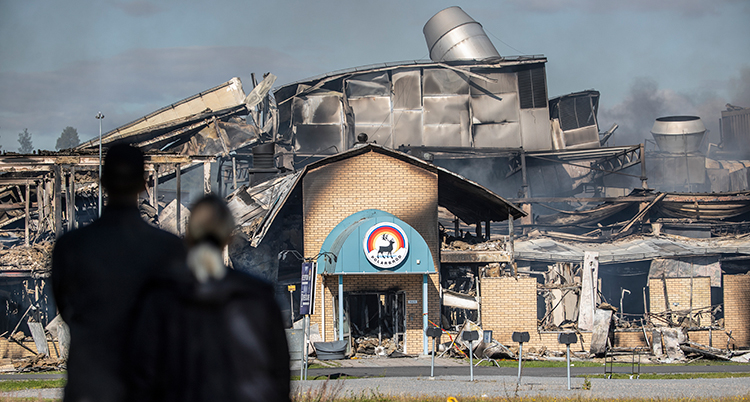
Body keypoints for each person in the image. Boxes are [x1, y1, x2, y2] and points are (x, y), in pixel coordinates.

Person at [51, 144, 187, 402]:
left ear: (103, 181)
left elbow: (66, 308)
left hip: (91, 382)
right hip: (149, 382)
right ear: (143, 183)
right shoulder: (169, 249)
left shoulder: (71, 247)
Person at [129, 194, 291, 402]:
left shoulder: (162, 296)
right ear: (228, 237)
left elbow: (143, 372)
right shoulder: (258, 295)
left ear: (189, 235)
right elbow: (279, 369)